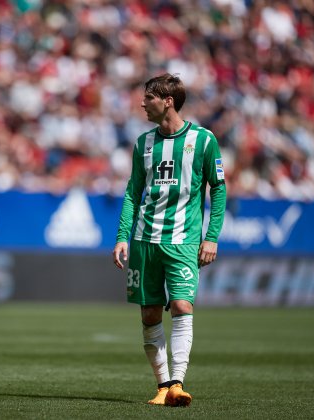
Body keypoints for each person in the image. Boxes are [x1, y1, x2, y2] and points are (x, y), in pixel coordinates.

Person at [112, 73, 226, 407]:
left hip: (184, 240)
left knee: (181, 305)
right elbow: (133, 192)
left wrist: (212, 237)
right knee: (149, 314)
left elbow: (218, 189)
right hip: (145, 240)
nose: (142, 103)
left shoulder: (204, 141)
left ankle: (177, 382)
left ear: (167, 102)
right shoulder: (142, 143)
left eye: (148, 97)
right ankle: (163, 387)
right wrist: (122, 237)